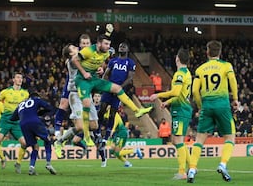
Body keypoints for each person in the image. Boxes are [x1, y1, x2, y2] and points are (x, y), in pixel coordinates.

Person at [71, 24, 152, 145]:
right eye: (106, 44)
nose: (109, 47)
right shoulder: (88, 50)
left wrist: (100, 68)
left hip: (94, 79)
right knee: (87, 103)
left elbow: (101, 55)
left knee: (117, 88)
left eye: (109, 44)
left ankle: (137, 110)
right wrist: (83, 72)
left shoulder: (106, 51)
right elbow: (74, 60)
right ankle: (87, 137)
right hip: (82, 81)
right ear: (99, 44)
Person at [187, 40, 239, 183]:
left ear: (207, 52)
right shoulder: (226, 66)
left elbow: (195, 91)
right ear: (220, 52)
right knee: (230, 137)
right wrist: (235, 98)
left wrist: (200, 106)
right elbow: (232, 81)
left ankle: (192, 169)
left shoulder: (200, 69)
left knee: (199, 140)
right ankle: (222, 164)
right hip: (222, 104)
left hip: (207, 105)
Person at [150, 48, 192, 180]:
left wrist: (158, 95)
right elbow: (179, 94)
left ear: (177, 59)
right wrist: (167, 102)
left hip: (181, 110)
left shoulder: (180, 74)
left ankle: (182, 172)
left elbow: (175, 92)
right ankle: (192, 167)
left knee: (177, 140)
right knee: (176, 140)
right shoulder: (187, 73)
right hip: (180, 108)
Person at [54, 42, 100, 159]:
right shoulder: (72, 61)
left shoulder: (81, 59)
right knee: (80, 126)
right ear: (70, 53)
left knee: (94, 126)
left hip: (86, 95)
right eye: (73, 48)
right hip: (75, 95)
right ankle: (59, 141)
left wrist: (98, 69)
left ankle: (70, 137)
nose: (77, 48)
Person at [98, 41, 136, 162]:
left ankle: (106, 137)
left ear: (128, 49)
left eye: (124, 46)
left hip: (119, 92)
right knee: (102, 109)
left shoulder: (130, 62)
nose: (122, 47)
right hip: (109, 88)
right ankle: (98, 131)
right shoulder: (113, 61)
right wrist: (103, 84)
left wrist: (119, 88)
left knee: (113, 113)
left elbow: (130, 78)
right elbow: (106, 74)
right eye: (120, 46)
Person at [54, 34, 92, 139]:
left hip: (85, 83)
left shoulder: (89, 52)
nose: (85, 45)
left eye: (87, 43)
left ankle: (86, 132)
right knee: (63, 104)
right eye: (83, 44)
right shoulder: (77, 54)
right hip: (73, 83)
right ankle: (57, 129)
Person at [11, 92, 57, 175]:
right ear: (36, 96)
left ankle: (31, 167)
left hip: (23, 124)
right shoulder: (36, 100)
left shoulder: (21, 104)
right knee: (47, 140)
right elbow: (49, 107)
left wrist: (24, 114)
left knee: (35, 146)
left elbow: (13, 118)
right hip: (34, 121)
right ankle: (48, 163)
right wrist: (40, 112)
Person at [0, 72, 29, 174]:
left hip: (17, 122)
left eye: (21, 78)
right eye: (17, 77)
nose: (20, 79)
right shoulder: (6, 92)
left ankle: (18, 163)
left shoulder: (25, 93)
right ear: (13, 80)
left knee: (24, 143)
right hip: (6, 120)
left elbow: (27, 107)